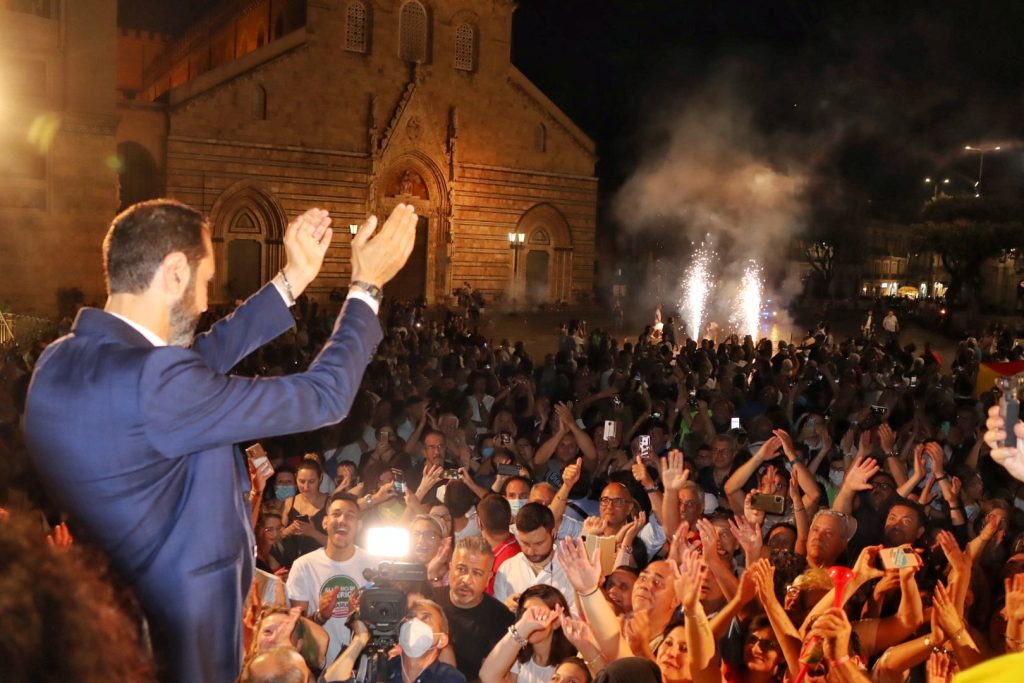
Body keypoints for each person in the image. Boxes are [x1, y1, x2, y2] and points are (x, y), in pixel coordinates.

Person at [24, 199, 419, 683]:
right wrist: (367, 288)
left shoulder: (57, 364)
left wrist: (291, 280)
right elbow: (325, 397)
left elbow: (198, 360)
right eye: (206, 280)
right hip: (180, 651)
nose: (207, 300)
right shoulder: (157, 385)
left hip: (107, 633)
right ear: (174, 272)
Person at [286, 492, 378, 666]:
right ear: (325, 522)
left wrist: (359, 616)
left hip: (365, 668)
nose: (342, 520)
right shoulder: (303, 566)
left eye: (350, 515)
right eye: (336, 514)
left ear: (359, 525)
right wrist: (321, 615)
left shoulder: (376, 565)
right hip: (319, 668)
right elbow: (297, 630)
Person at [323, 598, 465, 683]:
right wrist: (360, 639)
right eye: (410, 617)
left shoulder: (450, 678)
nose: (414, 622)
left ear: (442, 640)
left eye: (425, 618)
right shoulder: (381, 667)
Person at [434, 535, 515, 682]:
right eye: (461, 569)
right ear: (450, 567)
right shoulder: (430, 601)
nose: (466, 580)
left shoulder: (501, 618)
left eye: (477, 573)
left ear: (488, 578)